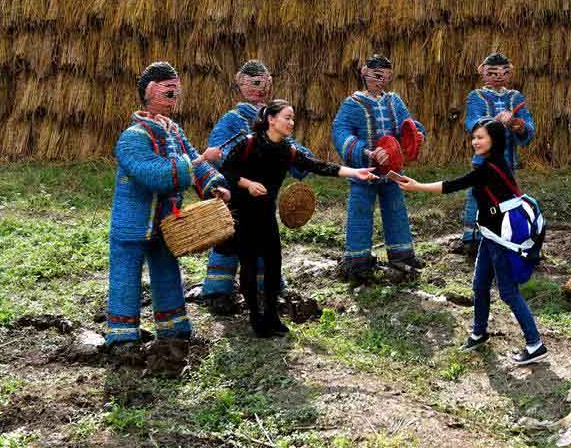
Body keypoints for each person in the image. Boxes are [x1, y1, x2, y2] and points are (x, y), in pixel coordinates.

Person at [398, 118, 548, 366]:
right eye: (474, 137)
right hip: (490, 237)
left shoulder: (490, 168)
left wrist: (417, 186)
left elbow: (455, 184)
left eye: (481, 137)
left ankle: (535, 344)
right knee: (479, 286)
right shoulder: (491, 163)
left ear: (494, 140)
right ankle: (479, 333)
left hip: (501, 238)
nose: (475, 142)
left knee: (509, 293)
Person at [220, 100, 377, 337]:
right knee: (250, 266)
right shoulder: (249, 144)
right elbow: (227, 171)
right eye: (287, 117)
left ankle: (272, 316)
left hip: (266, 214)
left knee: (273, 265)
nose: (292, 123)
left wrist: (355, 171)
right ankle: (256, 318)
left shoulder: (287, 150)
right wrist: (248, 184)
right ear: (271, 119)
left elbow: (317, 166)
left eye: (293, 118)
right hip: (243, 214)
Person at [107, 62, 230, 349]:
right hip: (133, 224)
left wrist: (212, 183)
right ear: (150, 92)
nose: (175, 99)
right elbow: (155, 173)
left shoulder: (173, 131)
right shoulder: (133, 137)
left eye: (176, 92)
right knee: (126, 276)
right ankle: (122, 336)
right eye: (169, 92)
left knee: (167, 272)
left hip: (166, 222)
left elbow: (192, 156)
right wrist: (201, 161)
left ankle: (174, 329)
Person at [201, 60, 311, 312]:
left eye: (264, 81)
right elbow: (220, 151)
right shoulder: (232, 120)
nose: (260, 87)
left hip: (263, 198)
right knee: (228, 239)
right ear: (241, 84)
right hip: (238, 195)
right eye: (254, 82)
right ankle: (218, 290)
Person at [331, 54, 426, 284]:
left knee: (396, 210)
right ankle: (358, 260)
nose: (382, 81)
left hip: (392, 170)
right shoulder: (352, 104)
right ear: (364, 72)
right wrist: (366, 152)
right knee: (360, 213)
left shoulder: (394, 101)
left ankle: (402, 254)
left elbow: (408, 124)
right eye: (377, 75)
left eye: (386, 77)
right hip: (364, 171)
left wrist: (416, 134)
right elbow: (340, 131)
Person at [458, 52, 535, 254]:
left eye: (504, 72)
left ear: (510, 74)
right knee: (478, 195)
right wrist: (495, 120)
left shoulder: (516, 97)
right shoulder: (476, 97)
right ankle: (472, 238)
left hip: (507, 159)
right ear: (483, 73)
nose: (498, 76)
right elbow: (473, 122)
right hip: (484, 159)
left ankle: (502, 235)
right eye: (492, 72)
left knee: (507, 197)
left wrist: (518, 125)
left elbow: (527, 123)